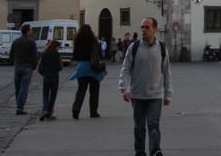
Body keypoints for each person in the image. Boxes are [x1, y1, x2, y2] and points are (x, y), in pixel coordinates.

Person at [119, 17, 173, 156]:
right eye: (142, 27)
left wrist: (168, 94)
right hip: (137, 94)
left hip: (155, 94)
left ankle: (155, 151)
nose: (143, 30)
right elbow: (125, 69)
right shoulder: (134, 48)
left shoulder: (161, 49)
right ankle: (140, 152)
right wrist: (125, 89)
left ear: (154, 29)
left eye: (147, 27)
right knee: (139, 127)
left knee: (153, 124)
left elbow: (166, 72)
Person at [69, 23, 106, 119]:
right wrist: (104, 68)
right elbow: (100, 55)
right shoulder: (93, 41)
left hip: (82, 68)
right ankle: (93, 112)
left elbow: (75, 56)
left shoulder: (77, 41)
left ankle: (75, 110)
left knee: (81, 90)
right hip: (93, 68)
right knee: (94, 91)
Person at [9, 23, 38, 115]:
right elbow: (34, 56)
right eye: (31, 30)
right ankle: (20, 108)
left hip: (17, 67)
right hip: (27, 67)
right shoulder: (31, 42)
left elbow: (11, 55)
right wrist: (34, 66)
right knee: (24, 88)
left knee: (17, 88)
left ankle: (19, 106)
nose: (32, 31)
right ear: (28, 31)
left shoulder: (16, 41)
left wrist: (14, 62)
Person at [38, 39, 63, 121]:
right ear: (56, 47)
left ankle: (45, 110)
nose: (58, 49)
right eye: (58, 47)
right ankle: (49, 113)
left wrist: (44, 73)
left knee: (45, 95)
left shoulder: (44, 54)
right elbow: (60, 67)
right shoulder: (57, 55)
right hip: (55, 76)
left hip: (46, 76)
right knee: (53, 95)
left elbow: (39, 68)